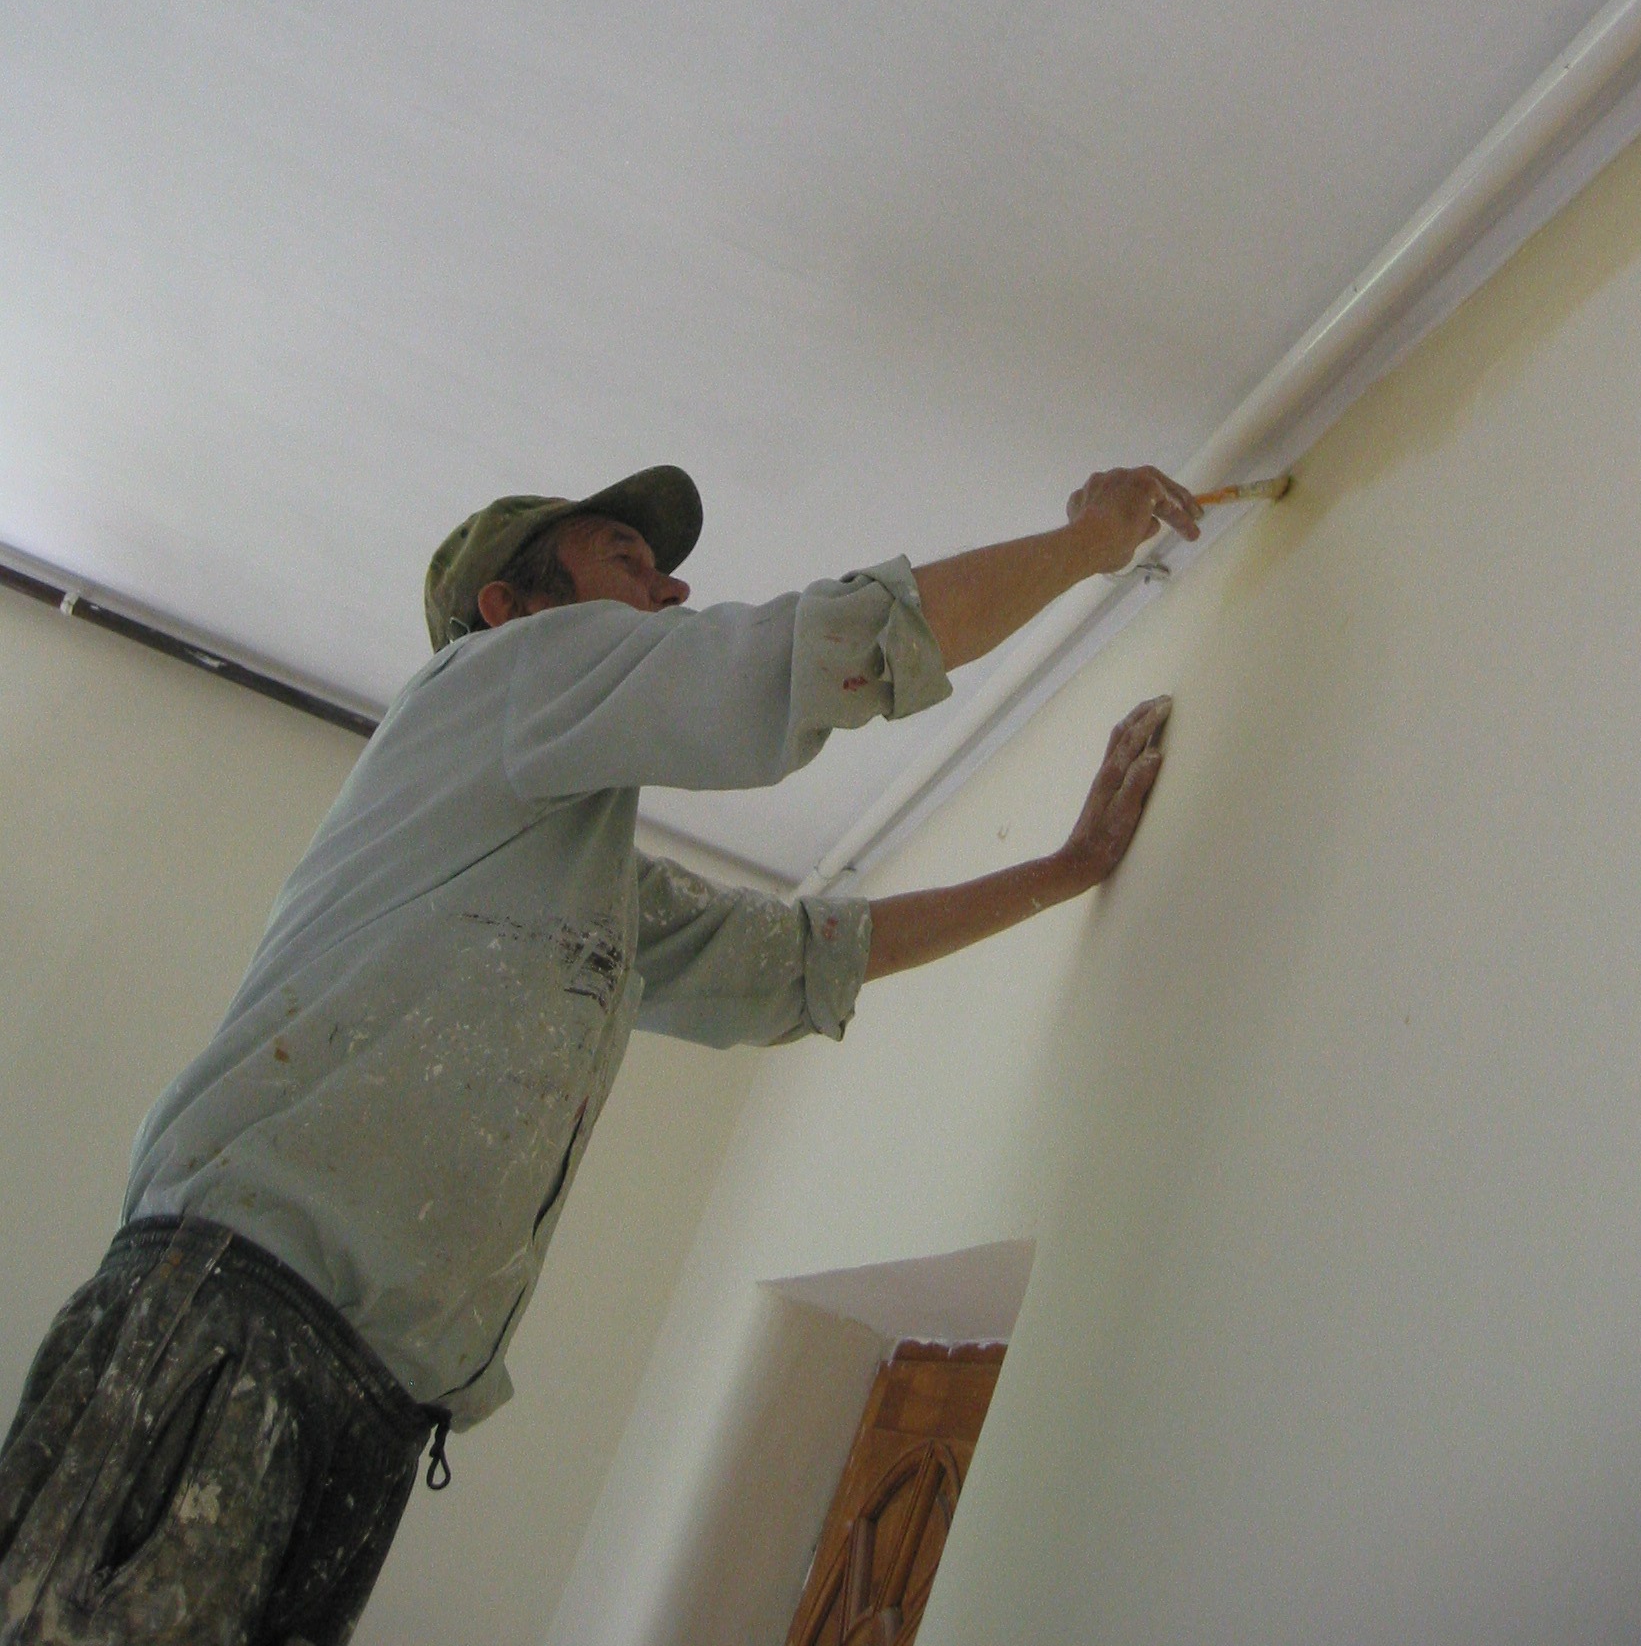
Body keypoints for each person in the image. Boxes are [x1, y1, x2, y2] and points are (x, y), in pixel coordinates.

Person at [0, 460, 1200, 1645]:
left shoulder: (570, 884)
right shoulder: (494, 673)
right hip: (235, 1311)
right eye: (628, 557)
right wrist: (1085, 543)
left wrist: (1064, 871)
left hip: (367, 1400)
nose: (671, 590)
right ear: (508, 608)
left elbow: (797, 960)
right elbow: (802, 658)